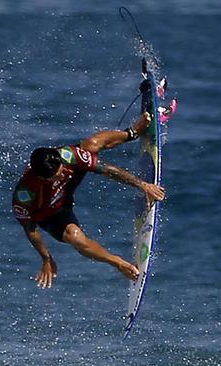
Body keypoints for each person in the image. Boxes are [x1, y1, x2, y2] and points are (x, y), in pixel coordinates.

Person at [12, 112, 166, 288]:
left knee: (91, 145)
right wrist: (46, 258)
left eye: (61, 169)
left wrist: (143, 186)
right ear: (41, 178)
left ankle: (132, 132)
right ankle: (118, 263)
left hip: (66, 190)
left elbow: (107, 169)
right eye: (56, 176)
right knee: (76, 238)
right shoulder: (24, 195)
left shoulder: (67, 156)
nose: (62, 174)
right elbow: (31, 230)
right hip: (52, 213)